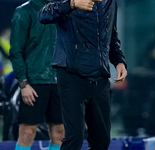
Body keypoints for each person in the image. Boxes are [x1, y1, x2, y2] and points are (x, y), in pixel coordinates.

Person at [39, 0, 127, 149]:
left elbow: (111, 34)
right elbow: (43, 15)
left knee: (102, 140)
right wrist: (72, 4)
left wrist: (119, 61)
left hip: (100, 77)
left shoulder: (111, 2)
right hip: (72, 75)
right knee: (75, 137)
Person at [9, 0, 65, 149]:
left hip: (60, 80)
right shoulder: (24, 11)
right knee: (27, 132)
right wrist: (23, 83)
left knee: (60, 132)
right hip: (34, 81)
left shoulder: (62, 10)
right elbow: (15, 51)